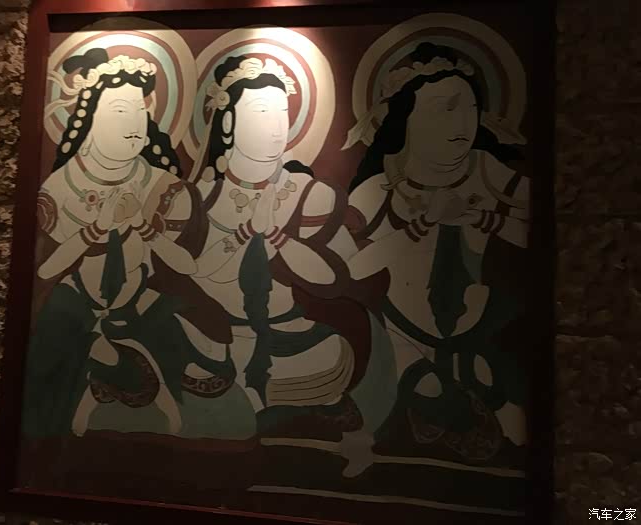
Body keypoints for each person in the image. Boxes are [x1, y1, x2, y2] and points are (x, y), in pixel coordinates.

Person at [22, 49, 255, 447]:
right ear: (88, 117)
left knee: (210, 348)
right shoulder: (58, 190)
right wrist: (96, 229)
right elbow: (45, 272)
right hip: (75, 304)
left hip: (145, 298)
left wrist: (145, 229)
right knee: (52, 340)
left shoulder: (166, 188)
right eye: (119, 111)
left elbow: (182, 269)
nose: (133, 125)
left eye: (139, 112)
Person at [189, 55, 397, 477]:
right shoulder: (203, 195)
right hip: (214, 335)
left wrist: (278, 238)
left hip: (290, 334)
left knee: (325, 359)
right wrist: (245, 233)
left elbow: (334, 278)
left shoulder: (308, 192)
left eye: (282, 113)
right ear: (227, 123)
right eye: (260, 112)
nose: (275, 126)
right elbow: (198, 273)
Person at [344, 42, 529, 460]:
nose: (462, 121)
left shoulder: (490, 172)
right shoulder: (379, 187)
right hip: (402, 328)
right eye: (445, 109)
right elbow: (355, 267)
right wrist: (423, 224)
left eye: (470, 108)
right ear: (405, 118)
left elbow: (551, 230)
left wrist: (482, 218)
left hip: (479, 323)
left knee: (504, 401)